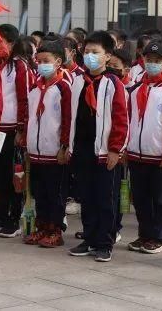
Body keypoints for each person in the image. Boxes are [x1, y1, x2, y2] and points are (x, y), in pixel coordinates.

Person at [68, 30, 128, 262]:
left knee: (106, 198)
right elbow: (70, 116)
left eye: (96, 52)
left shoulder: (113, 84)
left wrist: (115, 149)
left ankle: (105, 241)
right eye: (87, 51)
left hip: (104, 151)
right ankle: (90, 237)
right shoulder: (78, 81)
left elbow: (122, 119)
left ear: (107, 56)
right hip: (82, 147)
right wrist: (68, 145)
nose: (90, 56)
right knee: (88, 196)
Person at [125, 41, 162, 255]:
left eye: (157, 61)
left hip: (158, 155)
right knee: (140, 198)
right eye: (149, 60)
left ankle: (157, 236)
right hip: (136, 153)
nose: (152, 64)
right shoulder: (136, 87)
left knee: (159, 198)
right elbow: (128, 119)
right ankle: (144, 234)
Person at [22, 41, 72, 248]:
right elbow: (29, 118)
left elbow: (68, 120)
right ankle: (41, 227)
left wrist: (64, 146)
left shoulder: (63, 88)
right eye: (39, 61)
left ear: (58, 62)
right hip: (36, 150)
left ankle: (55, 230)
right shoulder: (35, 86)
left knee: (55, 193)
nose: (42, 65)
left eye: (46, 61)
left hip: (54, 151)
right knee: (39, 192)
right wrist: (27, 143)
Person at [0, 25, 31, 238]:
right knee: (0, 175)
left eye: (0, 42)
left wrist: (21, 129)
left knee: (14, 175)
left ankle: (14, 218)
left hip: (12, 128)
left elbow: (24, 99)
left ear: (12, 43)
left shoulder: (19, 66)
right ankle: (0, 215)